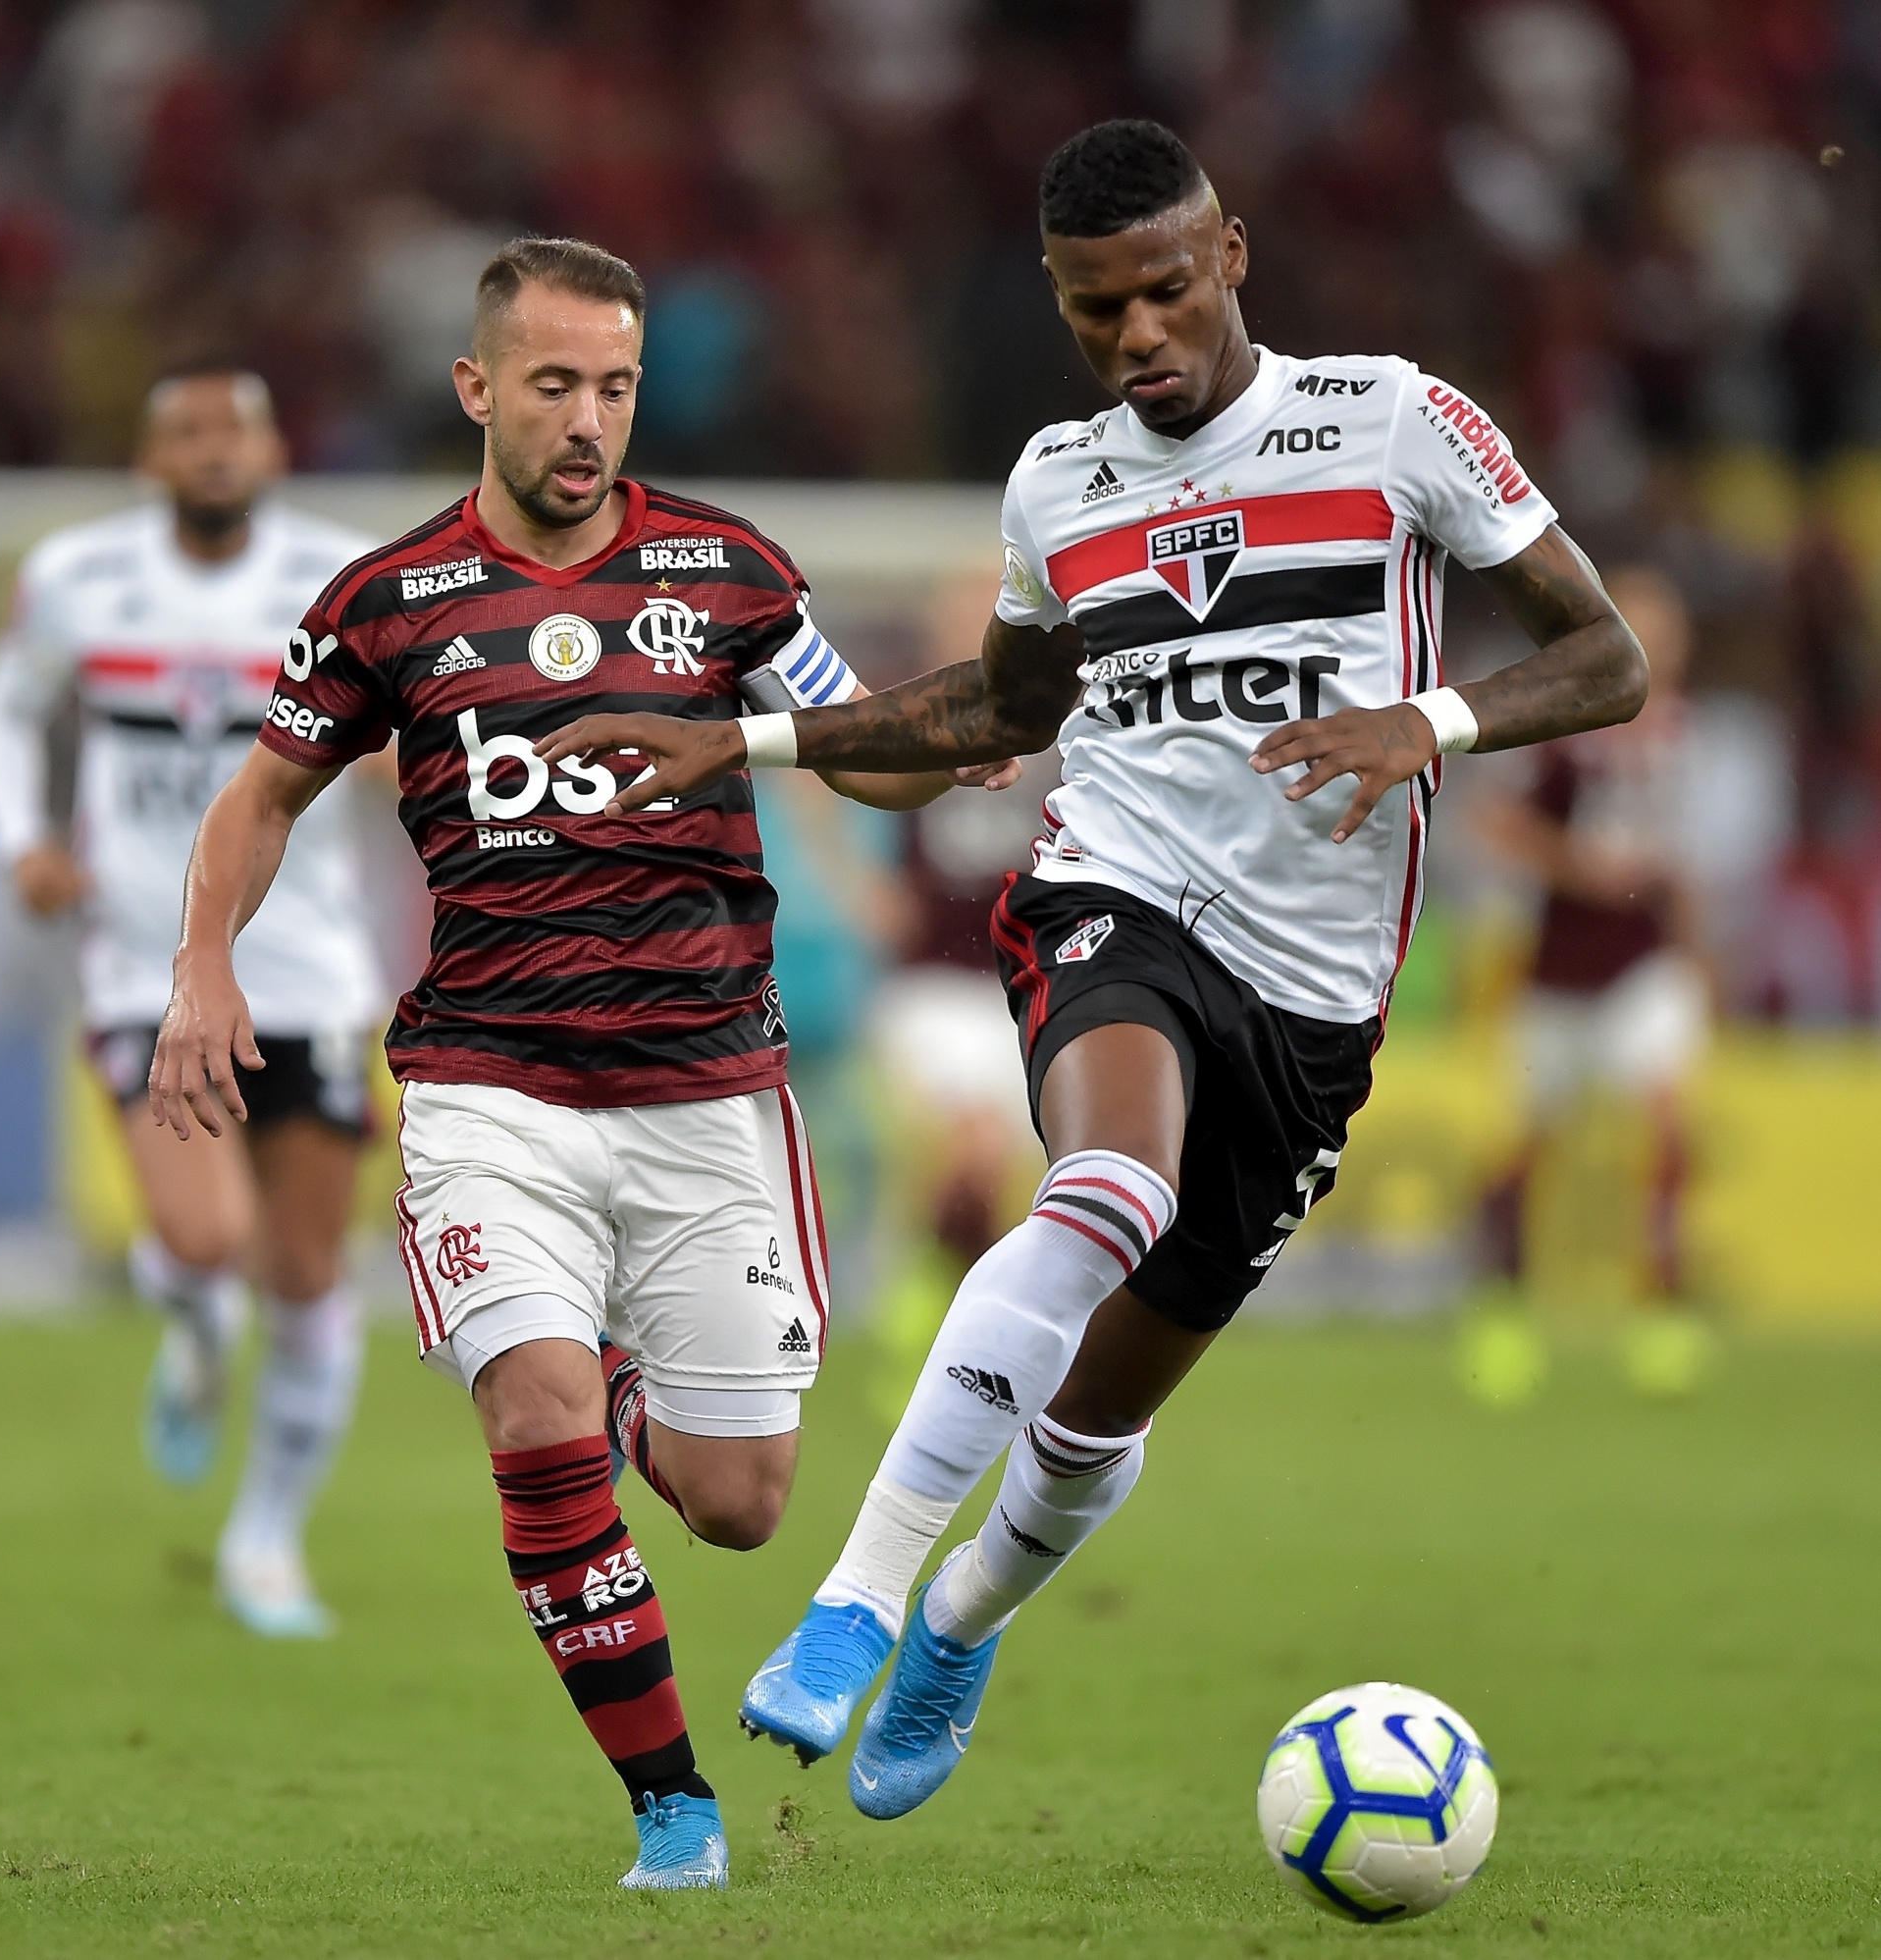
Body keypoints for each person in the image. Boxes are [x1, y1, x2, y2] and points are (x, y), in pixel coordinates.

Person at [535, 119, 1650, 1819]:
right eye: (1093, 309)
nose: (1136, 338)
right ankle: (857, 1597)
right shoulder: (1060, 479)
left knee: (1095, 1421)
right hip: (1115, 894)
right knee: (1104, 1183)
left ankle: (963, 1620)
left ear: (1234, 256)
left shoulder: (1399, 422)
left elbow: (1607, 656)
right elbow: (1000, 710)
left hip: (1314, 999)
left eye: (1164, 291)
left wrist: (1422, 718)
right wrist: (737, 742)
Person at [145, 238, 1012, 1889]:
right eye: (553, 386)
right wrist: (203, 964)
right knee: (533, 1427)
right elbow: (261, 794)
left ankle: (622, 1381)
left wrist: (949, 756)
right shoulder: (385, 602)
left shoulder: (731, 571)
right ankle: (671, 1804)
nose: (586, 421)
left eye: (612, 388)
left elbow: (858, 748)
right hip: (492, 1089)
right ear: (478, 388)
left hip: (708, 1094)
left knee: (741, 1499)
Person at [0, 368, 383, 1638]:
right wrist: (22, 839)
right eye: (187, 433)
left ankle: (266, 1540)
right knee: (203, 1241)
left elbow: (421, 717)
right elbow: (2, 710)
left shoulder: (340, 579)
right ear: (151, 462)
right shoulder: (80, 578)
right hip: (144, 966)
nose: (213, 451)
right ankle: (196, 1331)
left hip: (308, 970)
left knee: (308, 1275)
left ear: (272, 453)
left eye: (236, 430)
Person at [1479, 564, 1707, 1378]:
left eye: (1668, 629)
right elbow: (1498, 822)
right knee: (1530, 1147)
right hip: (1557, 968)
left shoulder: (1680, 732)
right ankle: (1502, 1309)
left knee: (1666, 1128)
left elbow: (1677, 867)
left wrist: (1695, 949)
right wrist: (1581, 867)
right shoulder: (1570, 728)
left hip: (1641, 965)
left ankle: (1663, 1310)